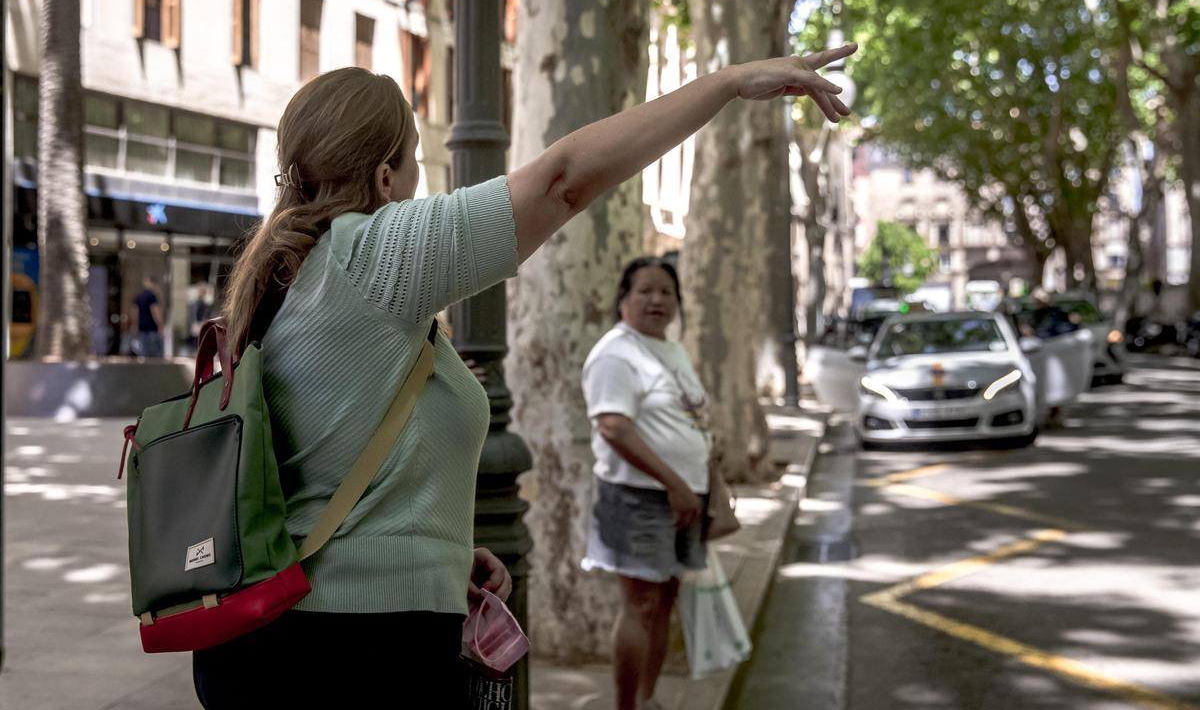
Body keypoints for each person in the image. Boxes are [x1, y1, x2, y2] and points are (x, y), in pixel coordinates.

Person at [195, 43, 855, 706]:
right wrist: (731, 82)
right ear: (384, 177)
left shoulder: (284, 275)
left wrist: (444, 549)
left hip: (303, 634)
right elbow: (563, 181)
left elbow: (327, 461)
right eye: (414, 155)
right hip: (365, 648)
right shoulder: (368, 252)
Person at [582, 257, 712, 710]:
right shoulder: (616, 353)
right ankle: (625, 706)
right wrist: (675, 483)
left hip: (685, 497)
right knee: (640, 606)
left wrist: (710, 478)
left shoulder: (671, 350)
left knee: (665, 603)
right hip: (637, 498)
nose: (657, 299)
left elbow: (692, 419)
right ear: (623, 300)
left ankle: (648, 697)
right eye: (646, 291)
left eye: (667, 292)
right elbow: (614, 427)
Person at [130, 277, 164, 358]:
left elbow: (134, 312)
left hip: (141, 328)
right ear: (154, 284)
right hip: (152, 328)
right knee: (155, 355)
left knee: (143, 354)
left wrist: (135, 325)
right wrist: (160, 325)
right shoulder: (152, 296)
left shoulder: (139, 296)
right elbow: (155, 311)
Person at [185, 283, 214, 352]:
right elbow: (192, 315)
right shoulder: (194, 304)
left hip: (201, 324)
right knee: (195, 342)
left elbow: (207, 315)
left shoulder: (206, 305)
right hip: (195, 325)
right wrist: (194, 324)